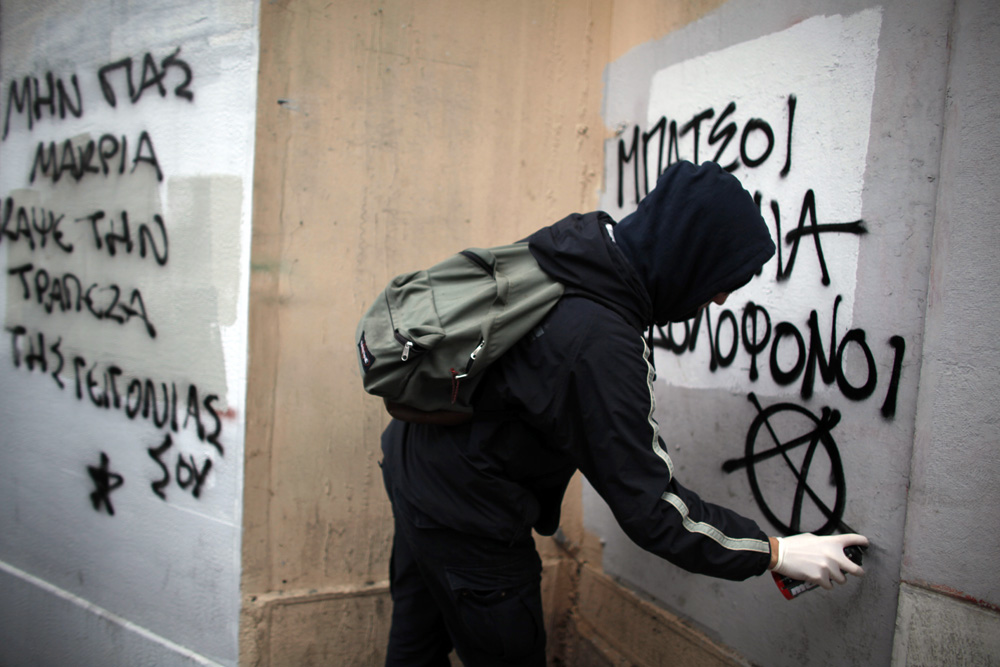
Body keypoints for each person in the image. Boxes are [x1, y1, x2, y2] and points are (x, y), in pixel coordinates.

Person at [379, 160, 869, 666]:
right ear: (689, 256)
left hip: (415, 461)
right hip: (467, 511)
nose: (721, 298)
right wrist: (776, 552)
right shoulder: (602, 342)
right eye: (723, 279)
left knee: (415, 644)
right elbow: (652, 510)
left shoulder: (578, 248)